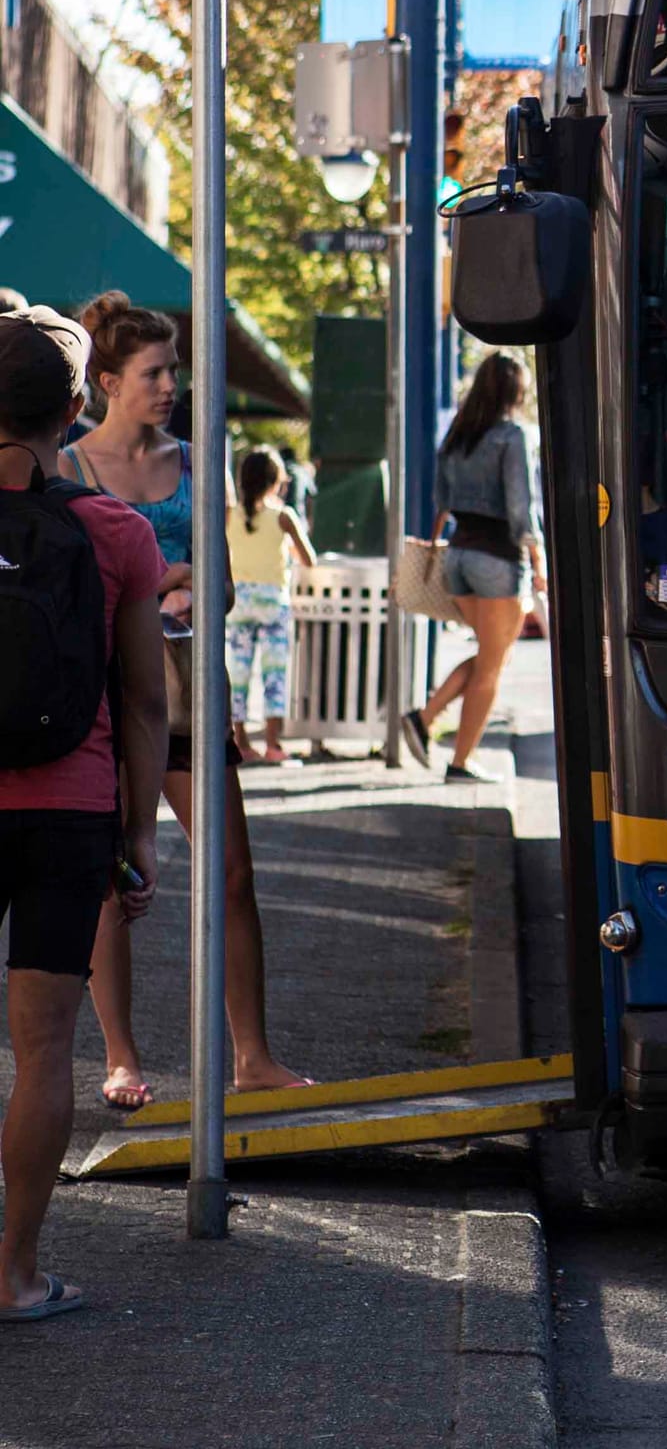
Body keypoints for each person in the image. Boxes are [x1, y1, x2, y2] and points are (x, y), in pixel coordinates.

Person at [64, 293, 306, 1108]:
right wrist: (163, 581)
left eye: (174, 370)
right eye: (154, 371)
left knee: (233, 873)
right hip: (104, 701)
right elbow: (76, 597)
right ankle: (122, 1057)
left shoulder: (197, 460)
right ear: (105, 381)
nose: (171, 384)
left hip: (189, 699)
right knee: (112, 878)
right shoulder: (71, 467)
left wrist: (173, 585)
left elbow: (226, 586)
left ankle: (253, 1055)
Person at [0, 307, 166, 1325]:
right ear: (74, 408)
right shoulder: (114, 532)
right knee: (45, 1053)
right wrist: (136, 837)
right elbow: (145, 699)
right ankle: (14, 1276)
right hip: (68, 812)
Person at [403, 353, 545, 783]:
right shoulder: (512, 435)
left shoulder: (458, 435)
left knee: (488, 654)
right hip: (499, 558)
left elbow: (442, 499)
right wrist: (537, 559)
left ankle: (423, 719)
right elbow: (521, 508)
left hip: (458, 557)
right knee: (492, 666)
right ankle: (460, 762)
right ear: (516, 391)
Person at [227, 450, 317, 764]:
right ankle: (272, 744)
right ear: (276, 483)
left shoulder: (229, 514)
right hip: (272, 602)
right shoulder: (283, 516)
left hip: (238, 600)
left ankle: (240, 742)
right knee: (274, 674)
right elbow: (309, 559)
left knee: (238, 673)